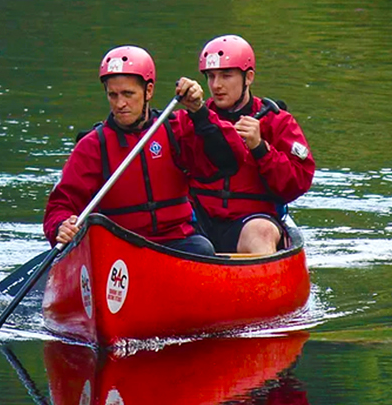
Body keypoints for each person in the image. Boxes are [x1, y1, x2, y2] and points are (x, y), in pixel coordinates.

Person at [43, 45, 242, 256]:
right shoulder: (92, 146)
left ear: (148, 91)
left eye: (128, 94)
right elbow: (60, 205)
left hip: (175, 240)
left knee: (203, 249)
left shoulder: (177, 128)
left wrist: (199, 111)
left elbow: (229, 159)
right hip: (118, 244)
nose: (120, 104)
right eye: (113, 95)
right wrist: (61, 226)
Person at [180, 35, 315, 255]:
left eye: (226, 75)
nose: (217, 85)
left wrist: (261, 148)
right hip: (199, 221)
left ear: (248, 77)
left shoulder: (278, 122)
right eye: (211, 76)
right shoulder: (190, 119)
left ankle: (262, 281)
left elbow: (297, 183)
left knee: (260, 232)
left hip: (250, 222)